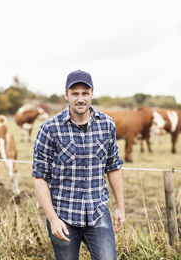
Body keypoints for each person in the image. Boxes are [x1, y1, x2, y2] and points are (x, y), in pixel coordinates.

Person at [32, 70, 125, 260]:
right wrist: (52, 219)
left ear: (92, 94)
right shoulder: (49, 129)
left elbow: (113, 166)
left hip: (97, 212)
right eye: (75, 93)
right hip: (63, 215)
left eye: (85, 93)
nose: (80, 99)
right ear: (66, 94)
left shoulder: (107, 125)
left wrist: (121, 208)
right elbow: (40, 177)